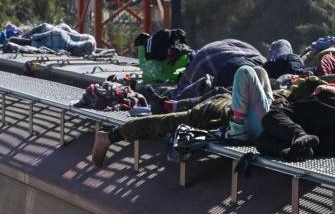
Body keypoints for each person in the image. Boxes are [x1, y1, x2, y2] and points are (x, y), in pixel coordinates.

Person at [88, 64, 272, 168]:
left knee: (256, 72)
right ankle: (111, 136)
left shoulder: (225, 97)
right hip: (256, 118)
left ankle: (113, 135)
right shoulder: (223, 101)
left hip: (267, 115)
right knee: (176, 120)